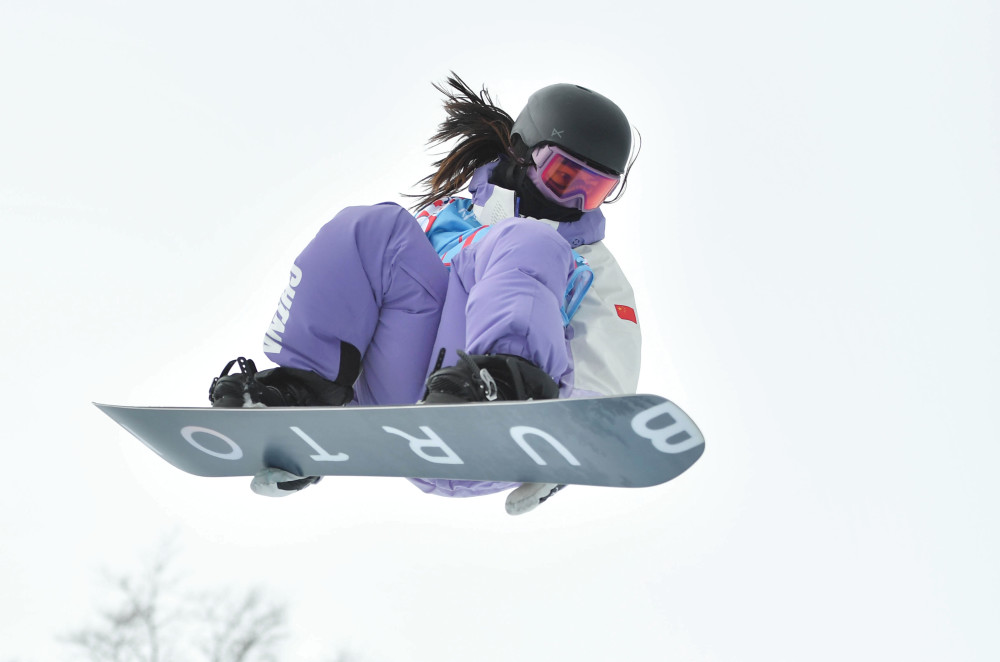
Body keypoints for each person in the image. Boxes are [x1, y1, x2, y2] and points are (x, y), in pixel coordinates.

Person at [209, 75, 642, 515]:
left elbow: (608, 373)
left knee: (529, 240)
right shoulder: (446, 216)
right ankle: (305, 391)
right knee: (369, 227)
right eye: (562, 176)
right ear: (519, 149)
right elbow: (369, 296)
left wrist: (567, 453)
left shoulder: (591, 266)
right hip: (414, 398)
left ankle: (507, 387)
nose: (572, 200)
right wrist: (305, 442)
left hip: (510, 428)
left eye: (595, 191)